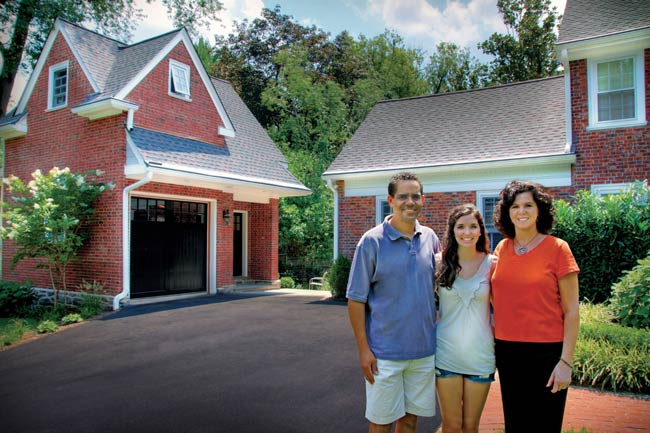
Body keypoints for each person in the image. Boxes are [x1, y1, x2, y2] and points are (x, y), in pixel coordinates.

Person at [347, 171, 441, 433]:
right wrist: (364, 350)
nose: (409, 202)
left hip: (423, 353)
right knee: (381, 422)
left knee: (410, 421)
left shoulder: (431, 239)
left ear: (422, 199)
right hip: (384, 355)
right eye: (403, 197)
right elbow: (355, 300)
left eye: (415, 196)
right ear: (390, 200)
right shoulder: (371, 242)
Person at [491, 180, 580, 433]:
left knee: (545, 426)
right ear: (507, 212)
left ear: (539, 209)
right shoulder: (502, 248)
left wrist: (566, 362)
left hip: (547, 354)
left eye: (528, 205)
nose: (522, 211)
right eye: (515, 206)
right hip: (508, 353)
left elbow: (572, 311)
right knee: (516, 424)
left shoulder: (558, 249)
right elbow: (495, 297)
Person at [434, 204, 495, 433]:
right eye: (460, 227)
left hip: (480, 356)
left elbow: (502, 310)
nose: (466, 232)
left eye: (472, 226)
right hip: (446, 353)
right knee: (451, 426)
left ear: (481, 230)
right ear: (452, 230)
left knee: (471, 427)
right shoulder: (438, 262)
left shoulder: (493, 264)